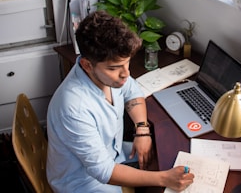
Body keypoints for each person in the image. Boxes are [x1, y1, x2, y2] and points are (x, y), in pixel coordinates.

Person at [46, 11, 194, 192]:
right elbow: (104, 171)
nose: (126, 74)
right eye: (115, 68)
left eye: (127, 63)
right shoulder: (73, 108)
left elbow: (132, 90)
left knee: (164, 156)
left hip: (112, 152)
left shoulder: (109, 74)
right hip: (83, 182)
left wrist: (142, 129)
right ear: (87, 65)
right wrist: (164, 179)